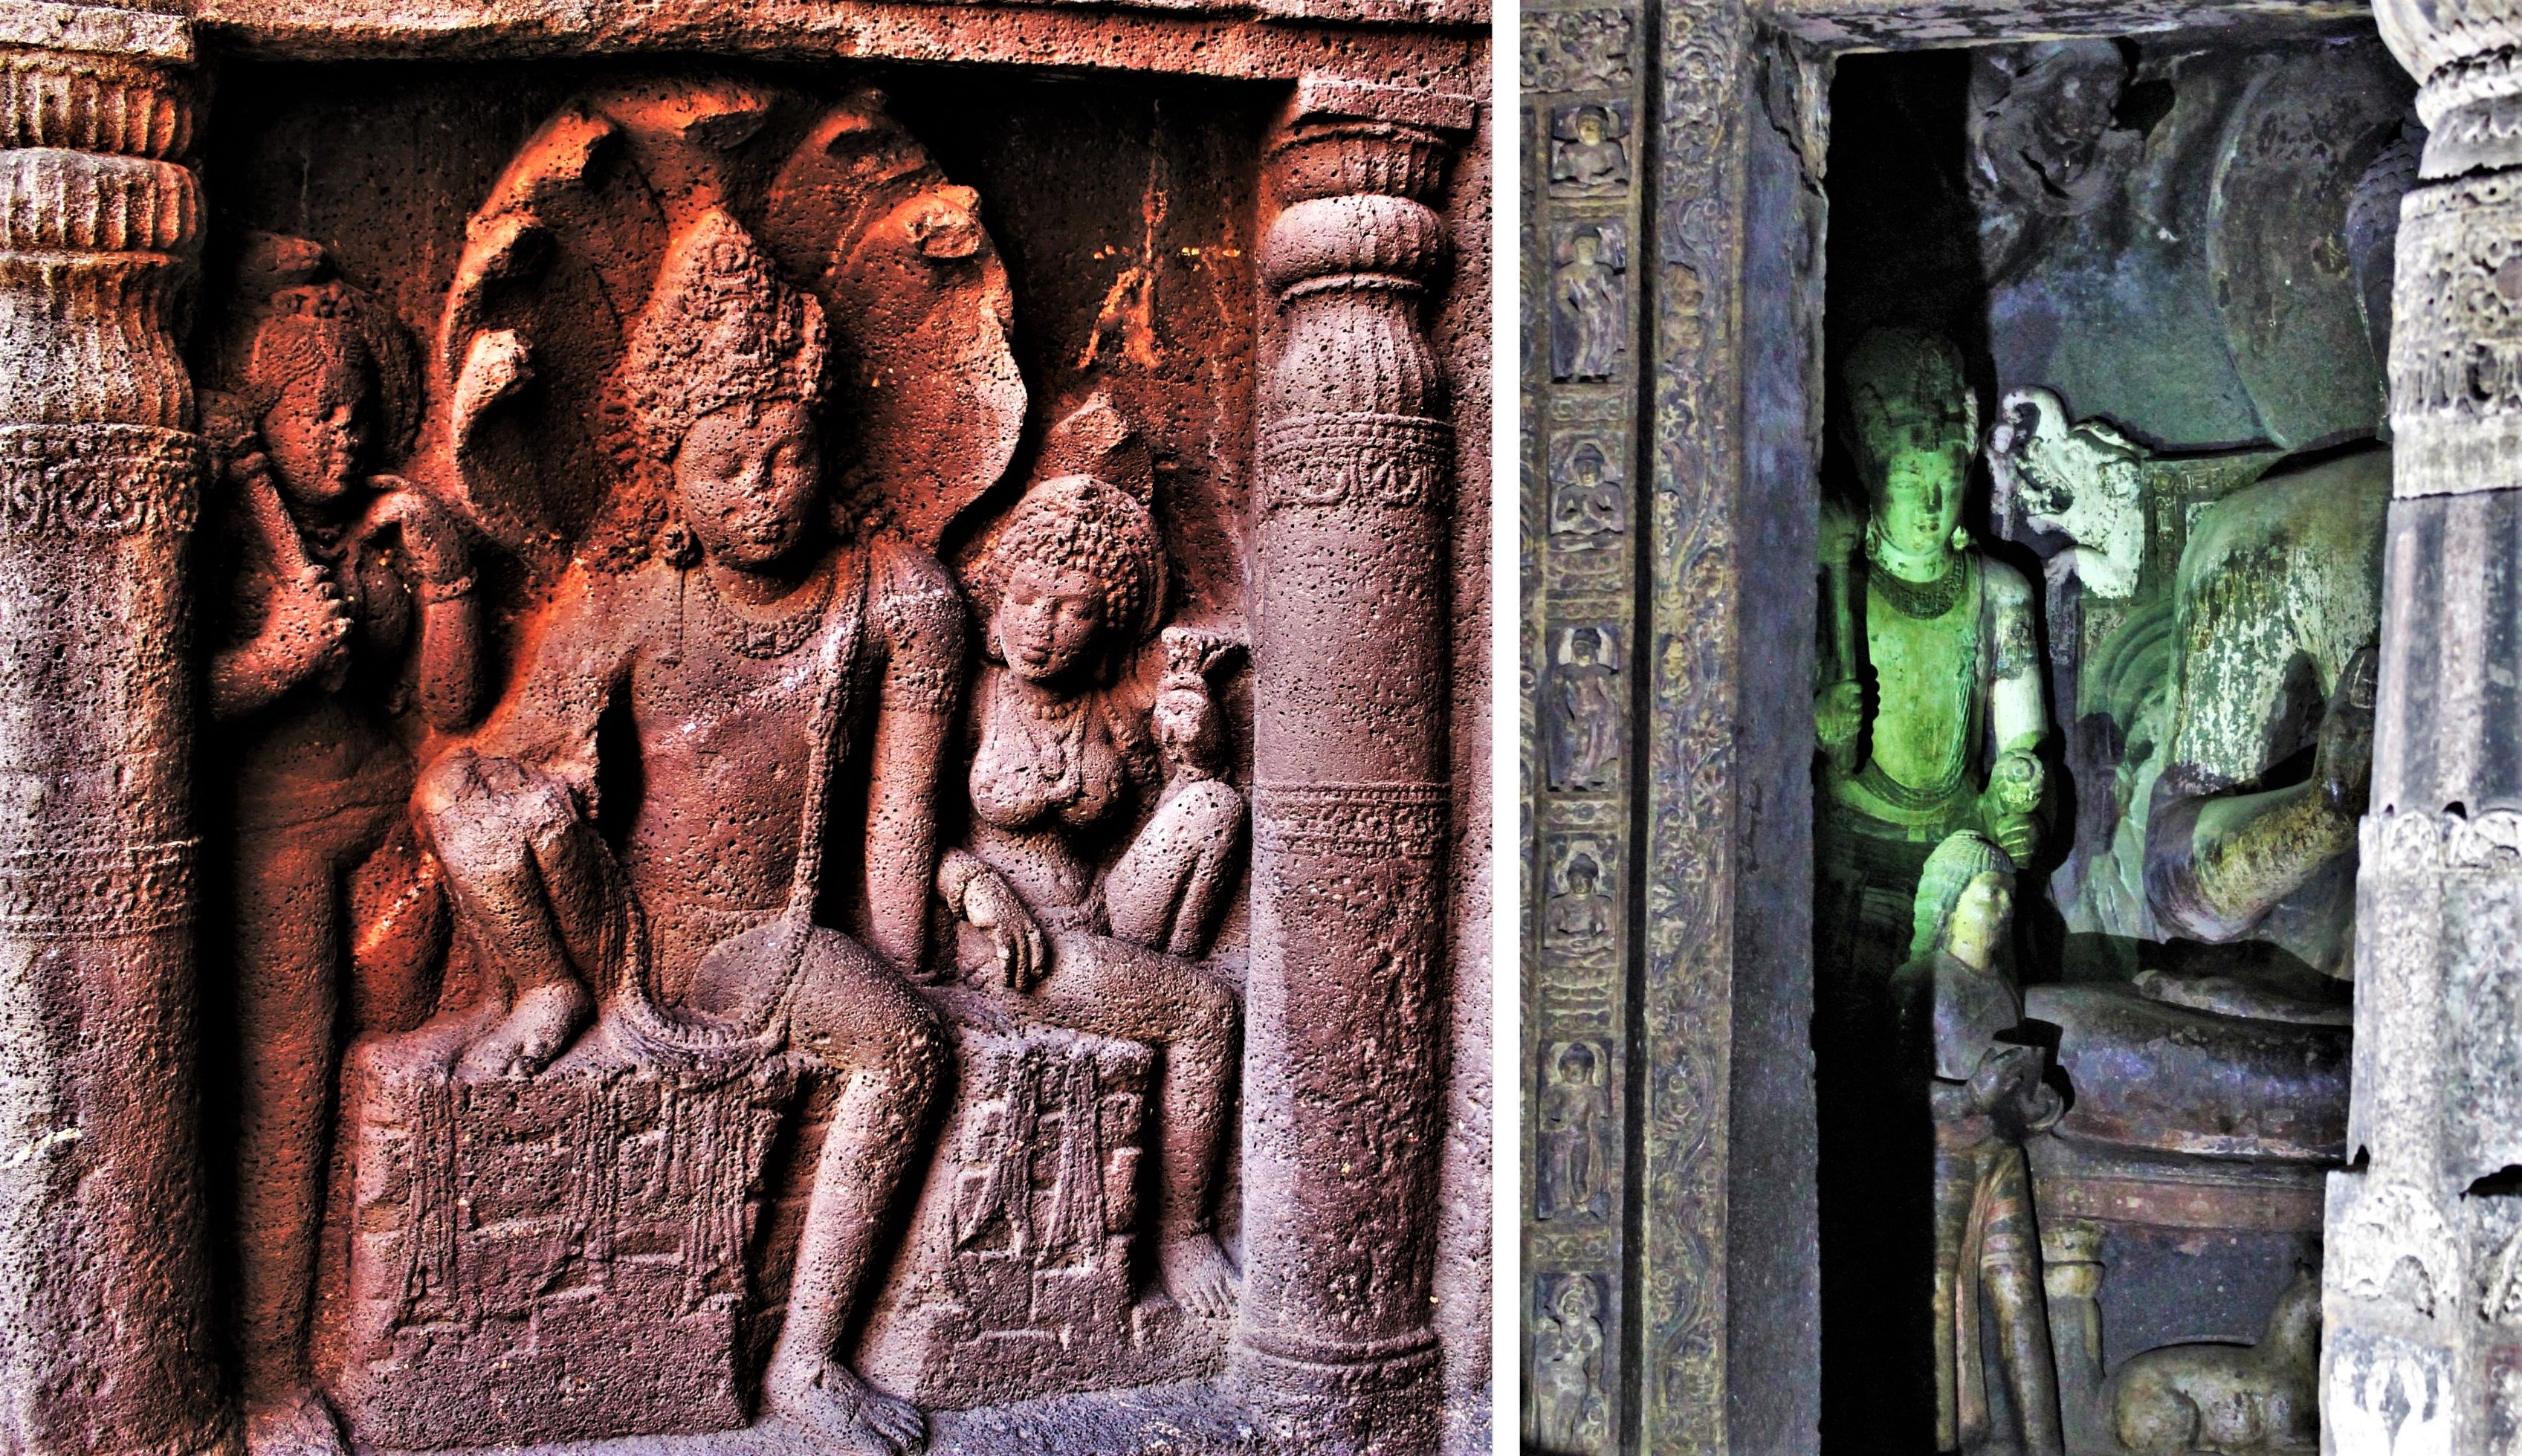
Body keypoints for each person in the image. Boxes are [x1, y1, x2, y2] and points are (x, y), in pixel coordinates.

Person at [412, 207, 969, 1455]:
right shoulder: (627, 601)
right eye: (726, 467)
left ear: (826, 448)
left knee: (903, 1043)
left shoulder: (900, 599)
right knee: (458, 794)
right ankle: (550, 993)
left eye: (788, 457)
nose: (765, 490)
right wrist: (540, 813)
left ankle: (809, 1355)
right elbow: (510, 752)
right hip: (618, 922)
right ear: (666, 470)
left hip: (761, 940)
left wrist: (926, 925)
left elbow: (896, 835)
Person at [202, 234, 486, 1456]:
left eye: (363, 412)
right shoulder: (213, 537)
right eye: (317, 414)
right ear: (259, 424)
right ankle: (271, 1369)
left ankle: (417, 1328)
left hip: (390, 818)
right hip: (273, 855)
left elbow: (453, 705)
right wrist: (269, 663)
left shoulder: (377, 528)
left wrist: (443, 575)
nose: (348, 435)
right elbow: (114, 714)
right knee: (287, 1099)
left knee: (427, 1067)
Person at [941, 461, 1245, 1315]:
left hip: (1100, 921)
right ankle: (1183, 1236)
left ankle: (1152, 1001)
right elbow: (904, 835)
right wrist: (970, 884)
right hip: (1014, 953)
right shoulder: (969, 703)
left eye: (1074, 610)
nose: (1045, 627)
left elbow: (1167, 814)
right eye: (1030, 599)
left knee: (1216, 809)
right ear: (998, 605)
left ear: (1105, 627)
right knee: (1207, 1012)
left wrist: (1195, 737)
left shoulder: (1105, 708)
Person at [1892, 832, 2066, 1456]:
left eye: (2005, 895)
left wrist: (2038, 1104)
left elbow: (2013, 1094)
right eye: (1984, 892)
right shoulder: (1918, 980)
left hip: (1999, 1157)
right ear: (1948, 900)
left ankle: (2043, 1445)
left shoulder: (2001, 989)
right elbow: (1897, 1088)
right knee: (1935, 1293)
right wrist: (1969, 1095)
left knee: (2021, 1294)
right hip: (1942, 1156)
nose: (1999, 906)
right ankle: (1936, 1438)